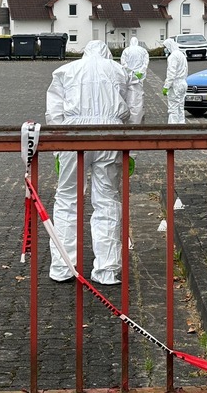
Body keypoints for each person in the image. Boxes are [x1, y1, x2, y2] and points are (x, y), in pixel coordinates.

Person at [46, 40, 130, 284]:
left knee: (67, 199)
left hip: (73, 135)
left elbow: (54, 113)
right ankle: (107, 269)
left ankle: (63, 267)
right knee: (107, 200)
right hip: (111, 135)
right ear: (106, 53)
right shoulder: (119, 70)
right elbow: (135, 107)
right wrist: (131, 149)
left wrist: (57, 150)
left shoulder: (65, 71)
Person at [120, 37, 150, 124]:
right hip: (139, 78)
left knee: (129, 99)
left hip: (129, 78)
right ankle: (138, 121)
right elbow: (145, 62)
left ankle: (129, 120)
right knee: (139, 99)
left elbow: (123, 63)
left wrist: (131, 72)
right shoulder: (143, 50)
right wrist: (140, 72)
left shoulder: (126, 50)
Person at [162, 38, 188, 124]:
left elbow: (171, 73)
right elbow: (186, 70)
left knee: (173, 108)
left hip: (175, 85)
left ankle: (172, 129)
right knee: (180, 107)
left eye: (165, 47)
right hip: (183, 83)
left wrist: (166, 86)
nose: (165, 49)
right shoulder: (181, 54)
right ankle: (182, 127)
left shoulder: (172, 56)